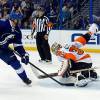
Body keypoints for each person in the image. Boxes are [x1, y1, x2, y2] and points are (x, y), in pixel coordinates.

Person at [0, 13, 32, 85]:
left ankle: (25, 79)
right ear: (12, 19)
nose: (19, 21)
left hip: (3, 50)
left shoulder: (17, 32)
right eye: (18, 20)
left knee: (16, 63)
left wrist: (24, 54)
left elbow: (18, 45)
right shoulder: (2, 24)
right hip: (2, 46)